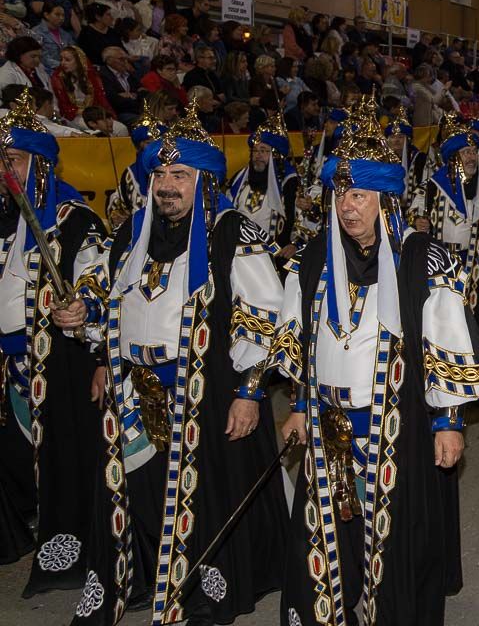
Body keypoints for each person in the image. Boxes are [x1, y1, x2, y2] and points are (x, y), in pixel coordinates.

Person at [272, 100, 479, 626]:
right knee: (326, 535)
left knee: (392, 539)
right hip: (328, 427)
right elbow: (299, 335)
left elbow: (448, 343)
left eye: (361, 195)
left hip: (397, 428)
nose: (349, 207)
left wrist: (449, 421)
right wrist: (300, 404)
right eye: (342, 195)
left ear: (384, 200)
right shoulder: (313, 259)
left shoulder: (422, 258)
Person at [72, 104, 290, 625]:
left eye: (180, 175)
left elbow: (268, 318)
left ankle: (205, 585)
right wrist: (84, 318)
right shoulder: (129, 236)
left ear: (205, 180)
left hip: (207, 393)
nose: (167, 186)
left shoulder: (233, 234)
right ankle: (145, 576)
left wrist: (250, 392)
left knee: (204, 498)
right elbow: (103, 297)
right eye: (160, 175)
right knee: (141, 492)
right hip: (135, 392)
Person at [0, 90, 107, 596]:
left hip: (56, 364)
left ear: (40, 165)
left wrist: (83, 307)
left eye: (13, 161)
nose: (5, 171)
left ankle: (67, 547)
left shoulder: (74, 218)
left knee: (62, 458)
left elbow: (97, 278)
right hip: (6, 362)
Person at [410, 118, 479, 328]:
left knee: (473, 321)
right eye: (465, 152)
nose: (471, 157)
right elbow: (413, 212)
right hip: (440, 263)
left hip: (476, 265)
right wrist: (418, 221)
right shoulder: (432, 187)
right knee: (440, 320)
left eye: (474, 152)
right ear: (454, 158)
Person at [227, 111, 299, 260]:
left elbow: (297, 218)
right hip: (238, 251)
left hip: (273, 253)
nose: (258, 155)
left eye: (264, 151)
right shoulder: (238, 179)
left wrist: (293, 243)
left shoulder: (289, 182)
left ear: (276, 155)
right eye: (255, 151)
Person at [105, 105, 164, 230]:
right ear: (139, 146)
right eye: (149, 142)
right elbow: (117, 207)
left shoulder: (176, 169)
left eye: (158, 142)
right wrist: (119, 217)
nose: (154, 147)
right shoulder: (130, 174)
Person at [50, 45, 117, 130]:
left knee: (121, 128)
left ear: (79, 61)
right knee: (99, 128)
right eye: (61, 60)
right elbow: (63, 106)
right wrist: (80, 111)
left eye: (67, 60)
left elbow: (100, 99)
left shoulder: (91, 77)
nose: (63, 63)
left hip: (93, 114)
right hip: (73, 116)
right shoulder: (58, 78)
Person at [96, 46, 140, 125]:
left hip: (136, 109)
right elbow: (113, 99)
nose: (126, 62)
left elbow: (142, 90)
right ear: (109, 60)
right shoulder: (102, 75)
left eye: (126, 59)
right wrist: (134, 97)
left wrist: (130, 96)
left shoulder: (129, 73)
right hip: (119, 113)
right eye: (121, 59)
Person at [31, 3, 75, 73]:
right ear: (46, 15)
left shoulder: (66, 34)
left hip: (66, 71)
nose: (61, 18)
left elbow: (74, 52)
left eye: (63, 15)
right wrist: (62, 65)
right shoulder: (36, 33)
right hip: (46, 72)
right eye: (57, 14)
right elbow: (41, 58)